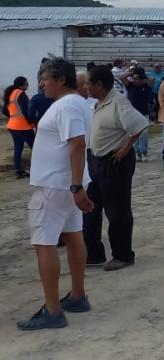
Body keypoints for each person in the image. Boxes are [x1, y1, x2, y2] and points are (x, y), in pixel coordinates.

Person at [17, 58, 93, 331]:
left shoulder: (67, 105)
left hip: (56, 185)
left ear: (61, 79)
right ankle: (77, 295)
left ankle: (52, 310)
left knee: (44, 242)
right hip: (65, 184)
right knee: (73, 236)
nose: (42, 83)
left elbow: (77, 143)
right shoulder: (74, 104)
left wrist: (76, 186)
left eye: (46, 78)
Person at [83, 65, 148, 272]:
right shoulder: (98, 102)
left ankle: (123, 255)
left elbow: (139, 125)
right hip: (95, 161)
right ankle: (93, 254)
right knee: (91, 209)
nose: (85, 87)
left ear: (99, 85)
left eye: (88, 83)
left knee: (117, 211)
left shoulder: (118, 102)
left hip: (114, 162)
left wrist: (125, 148)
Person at [3, 76, 35, 178]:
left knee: (18, 149)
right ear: (22, 85)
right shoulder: (20, 94)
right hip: (23, 126)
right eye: (26, 83)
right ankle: (37, 169)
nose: (28, 85)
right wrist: (32, 121)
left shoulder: (11, 93)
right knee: (36, 148)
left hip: (12, 126)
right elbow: (26, 111)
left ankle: (18, 171)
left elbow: (4, 110)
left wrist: (12, 117)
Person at [126, 68, 152, 161]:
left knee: (144, 134)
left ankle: (144, 151)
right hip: (132, 113)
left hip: (144, 112)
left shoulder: (146, 86)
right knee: (134, 134)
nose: (135, 80)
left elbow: (151, 81)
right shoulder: (130, 85)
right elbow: (121, 77)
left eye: (137, 78)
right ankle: (137, 153)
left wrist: (144, 75)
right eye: (134, 78)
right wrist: (131, 73)